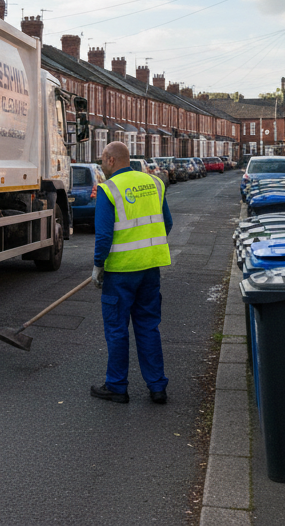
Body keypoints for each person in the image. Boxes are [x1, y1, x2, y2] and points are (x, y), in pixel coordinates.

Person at [91, 140, 174, 405]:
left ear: (112, 160)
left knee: (117, 330)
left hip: (120, 273)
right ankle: (157, 387)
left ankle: (116, 386)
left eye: (103, 160)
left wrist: (98, 265)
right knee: (149, 326)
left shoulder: (108, 189)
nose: (102, 165)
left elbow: (103, 236)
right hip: (150, 269)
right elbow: (166, 223)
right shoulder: (155, 183)